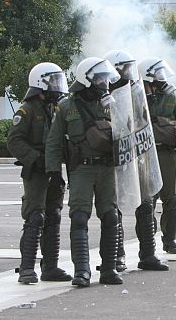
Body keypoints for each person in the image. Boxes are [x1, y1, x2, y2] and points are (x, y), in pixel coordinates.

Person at [46, 57, 123, 287]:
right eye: (99, 78)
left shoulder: (112, 103)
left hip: (108, 168)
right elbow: (54, 142)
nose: (104, 82)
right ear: (86, 79)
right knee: (79, 217)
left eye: (105, 77)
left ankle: (109, 269)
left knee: (110, 216)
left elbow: (130, 131)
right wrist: (54, 172)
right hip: (81, 168)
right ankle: (82, 271)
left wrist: (116, 113)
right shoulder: (67, 107)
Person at [104, 50, 168, 272]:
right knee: (116, 208)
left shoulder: (136, 91)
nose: (129, 73)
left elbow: (143, 122)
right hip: (115, 158)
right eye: (125, 68)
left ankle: (148, 254)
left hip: (138, 155)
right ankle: (117, 256)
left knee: (146, 205)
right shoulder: (103, 95)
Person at [8, 62, 72, 284]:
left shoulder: (57, 109)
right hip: (36, 171)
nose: (57, 86)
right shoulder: (26, 111)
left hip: (54, 168)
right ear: (40, 84)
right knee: (35, 216)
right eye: (53, 81)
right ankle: (27, 268)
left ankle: (50, 267)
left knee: (53, 214)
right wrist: (35, 159)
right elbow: (14, 141)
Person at [138, 57, 176, 254]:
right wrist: (165, 124)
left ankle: (170, 239)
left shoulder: (171, 98)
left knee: (171, 199)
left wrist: (175, 126)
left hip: (166, 153)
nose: (161, 79)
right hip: (145, 153)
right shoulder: (136, 98)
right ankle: (147, 244)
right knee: (147, 202)